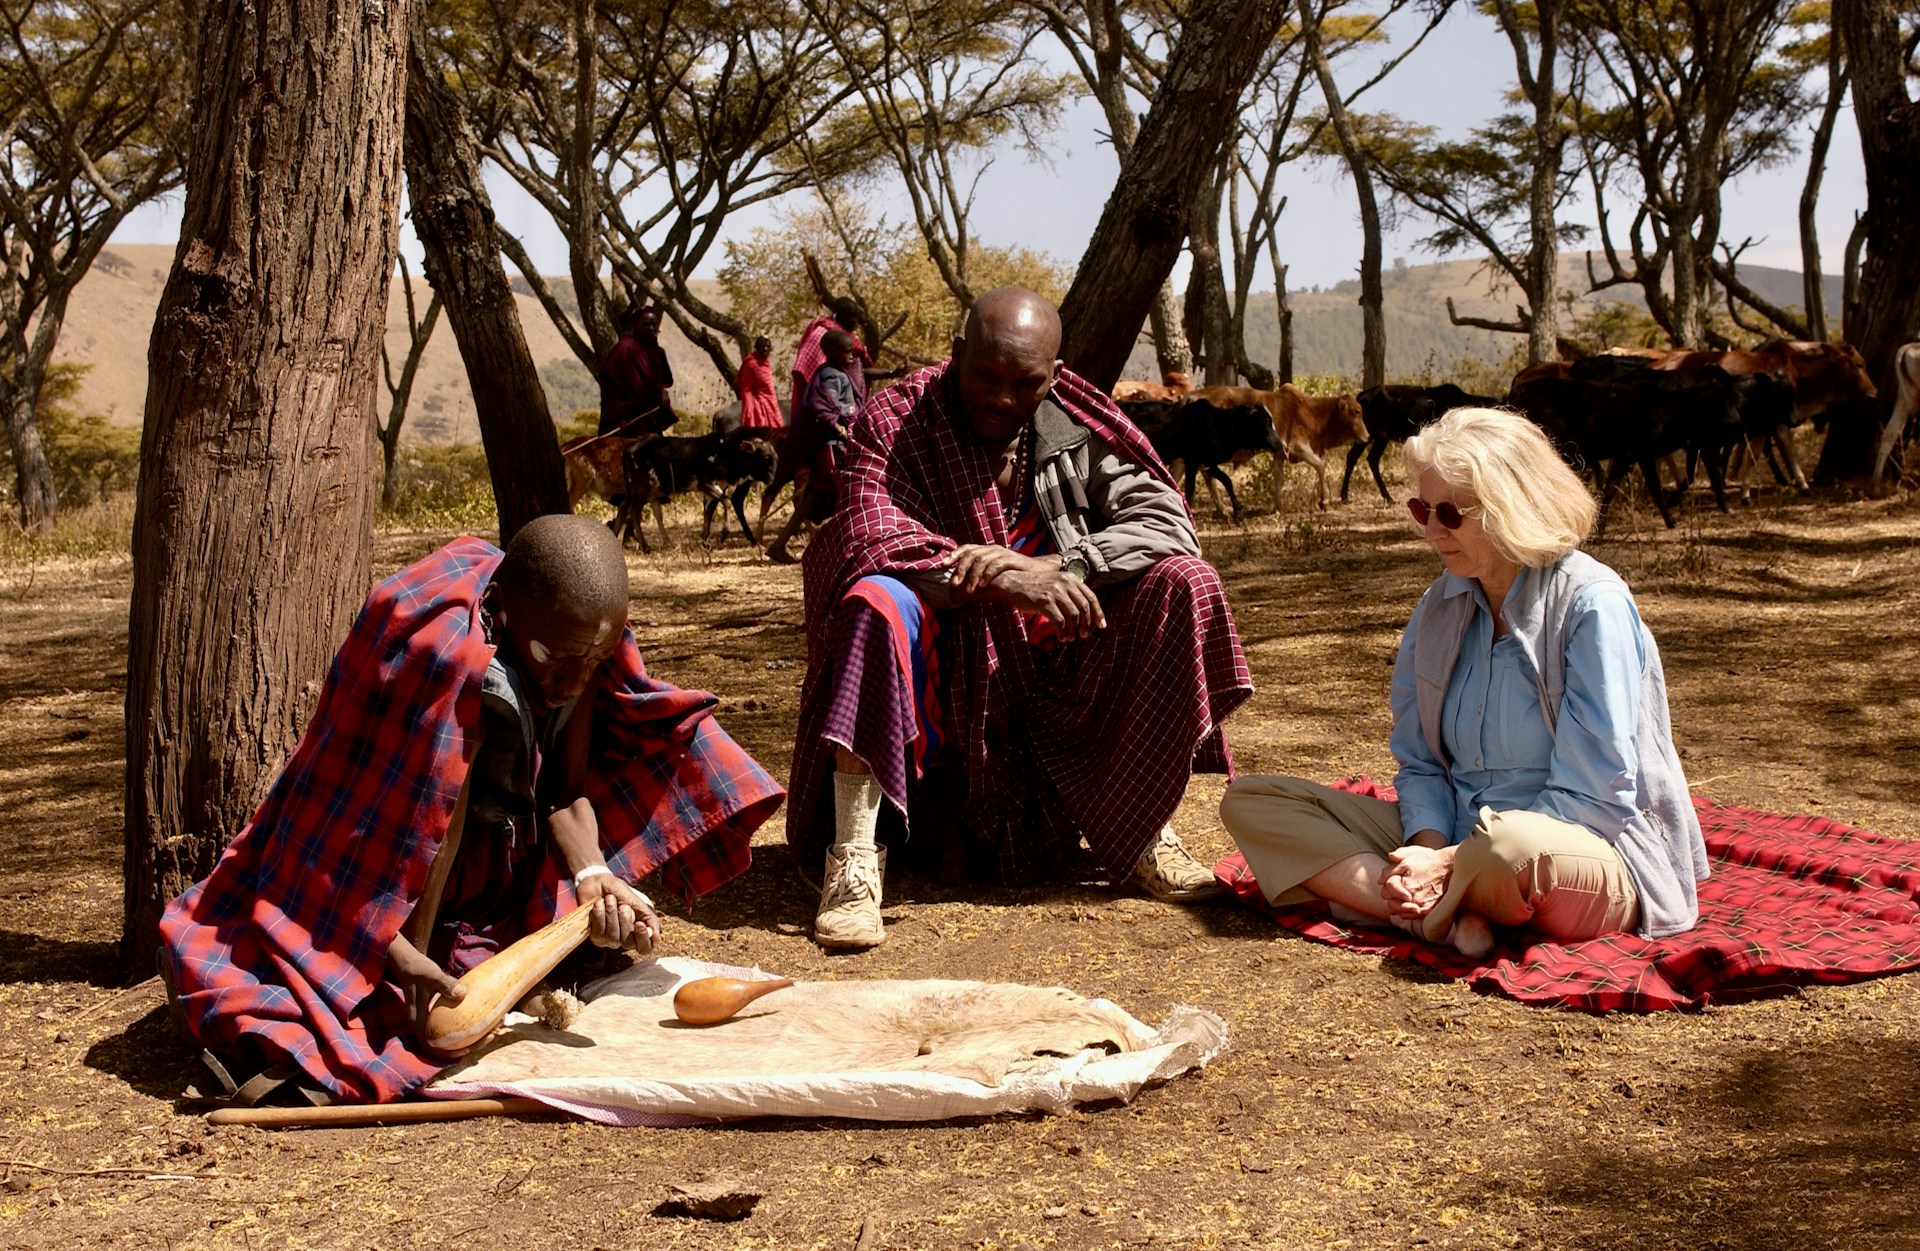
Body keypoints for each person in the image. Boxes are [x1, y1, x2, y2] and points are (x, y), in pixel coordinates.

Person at [159, 515, 786, 1103]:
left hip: (487, 868)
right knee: (342, 1012)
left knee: (495, 972)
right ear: (507, 612)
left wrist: (594, 875)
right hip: (377, 877)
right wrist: (400, 956)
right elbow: (361, 831)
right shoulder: (438, 661)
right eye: (553, 659)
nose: (571, 681)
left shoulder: (573, 645)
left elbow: (566, 790)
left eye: (591, 662)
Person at [786, 286, 1254, 949]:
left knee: (1185, 581)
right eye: (988, 375)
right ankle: (856, 861)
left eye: (1024, 382)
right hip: (943, 690)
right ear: (957, 356)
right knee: (873, 602)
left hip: (1056, 673)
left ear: (1054, 378)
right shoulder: (896, 419)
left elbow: (1167, 521)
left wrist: (1073, 567)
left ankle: (1145, 826)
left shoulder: (1071, 423)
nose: (1004, 396)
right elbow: (868, 534)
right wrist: (1004, 575)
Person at [1219, 407, 1709, 958]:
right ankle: (1434, 917)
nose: (1429, 530)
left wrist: (1450, 861)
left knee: (1504, 848)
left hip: (1579, 846)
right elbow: (1421, 762)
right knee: (1253, 800)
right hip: (1456, 834)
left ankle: (1418, 904)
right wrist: (1427, 847)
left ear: (1510, 508)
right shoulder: (1440, 606)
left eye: (1448, 513)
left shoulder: (1591, 605)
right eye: (1421, 509)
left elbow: (1595, 792)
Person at [765, 329, 864, 565]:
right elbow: (822, 408)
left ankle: (779, 544)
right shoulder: (831, 376)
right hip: (832, 446)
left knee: (816, 494)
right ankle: (845, 548)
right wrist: (842, 431)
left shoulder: (833, 373)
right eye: (847, 352)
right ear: (831, 352)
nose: (852, 356)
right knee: (851, 490)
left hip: (829, 445)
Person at [598, 302, 676, 436]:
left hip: (649, 416)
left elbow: (664, 381)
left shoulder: (658, 352)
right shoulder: (624, 349)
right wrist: (619, 416)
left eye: (654, 325)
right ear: (635, 325)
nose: (651, 328)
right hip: (626, 419)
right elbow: (611, 386)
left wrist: (663, 392)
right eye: (646, 324)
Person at [791, 295, 871, 414]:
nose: (854, 321)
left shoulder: (851, 339)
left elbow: (860, 371)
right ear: (837, 314)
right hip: (828, 410)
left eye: (856, 317)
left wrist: (891, 373)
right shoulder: (822, 334)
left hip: (849, 406)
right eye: (850, 316)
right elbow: (804, 370)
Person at [737, 335, 784, 430]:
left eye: (768, 346)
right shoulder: (750, 364)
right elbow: (746, 390)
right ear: (757, 347)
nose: (765, 349)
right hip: (757, 404)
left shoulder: (766, 363)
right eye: (762, 346)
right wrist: (750, 412)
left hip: (771, 403)